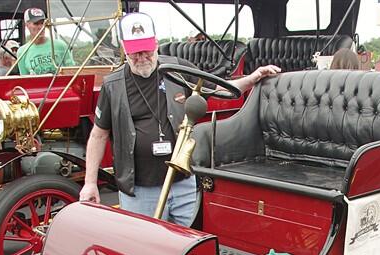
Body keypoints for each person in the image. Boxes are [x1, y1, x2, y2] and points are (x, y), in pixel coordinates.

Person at [79, 12, 280, 225]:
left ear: (156, 43)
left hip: (183, 184)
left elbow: (220, 89)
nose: (142, 58)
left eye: (146, 51)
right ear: (124, 49)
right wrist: (90, 182)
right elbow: (99, 135)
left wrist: (253, 78)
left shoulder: (177, 69)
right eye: (134, 53)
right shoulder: (113, 86)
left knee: (192, 246)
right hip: (139, 192)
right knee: (147, 250)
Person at [15, 7, 74, 75]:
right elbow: (24, 80)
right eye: (36, 23)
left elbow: (72, 72)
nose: (41, 27)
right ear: (27, 25)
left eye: (42, 23)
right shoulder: (22, 52)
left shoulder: (60, 46)